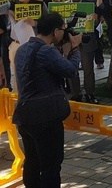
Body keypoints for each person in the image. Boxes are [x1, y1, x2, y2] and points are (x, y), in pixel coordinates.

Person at [13, 12, 81, 188]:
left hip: (24, 115)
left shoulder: (22, 50)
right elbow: (71, 71)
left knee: (32, 162)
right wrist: (74, 49)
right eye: (62, 30)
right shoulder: (46, 50)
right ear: (55, 31)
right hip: (45, 117)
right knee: (51, 165)